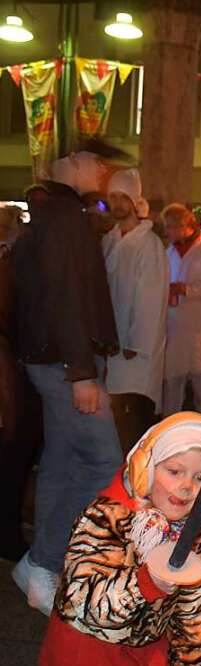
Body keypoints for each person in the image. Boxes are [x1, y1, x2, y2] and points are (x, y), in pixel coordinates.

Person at [38, 412, 201, 666]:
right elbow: (84, 602)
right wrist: (144, 584)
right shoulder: (105, 518)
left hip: (149, 658)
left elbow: (195, 609)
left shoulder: (194, 532)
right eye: (174, 471)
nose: (187, 486)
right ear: (147, 467)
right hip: (93, 660)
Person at [11, 142, 126, 615]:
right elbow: (65, 300)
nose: (104, 171)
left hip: (58, 360)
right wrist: (81, 371)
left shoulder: (58, 212)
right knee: (103, 463)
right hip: (64, 363)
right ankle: (46, 560)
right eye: (97, 162)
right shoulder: (61, 216)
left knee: (61, 460)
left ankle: (38, 567)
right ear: (73, 162)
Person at [102, 169, 170, 453]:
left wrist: (135, 343)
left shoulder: (148, 244)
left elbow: (150, 299)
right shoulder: (110, 241)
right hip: (111, 350)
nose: (118, 203)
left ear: (134, 200)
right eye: (113, 197)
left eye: (123, 197)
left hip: (135, 355)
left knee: (133, 431)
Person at [0, 204, 42, 562]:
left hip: (11, 367)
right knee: (13, 454)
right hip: (8, 372)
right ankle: (7, 534)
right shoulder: (8, 265)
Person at [163, 203, 201, 417]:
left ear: (184, 226)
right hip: (174, 328)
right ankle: (168, 436)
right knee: (171, 387)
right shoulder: (169, 251)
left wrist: (186, 289)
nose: (167, 232)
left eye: (170, 227)